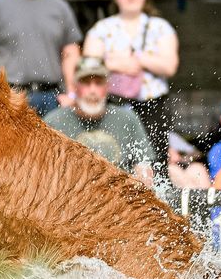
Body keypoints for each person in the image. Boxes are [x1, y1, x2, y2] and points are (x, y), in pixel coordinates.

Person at [82, 0, 178, 171]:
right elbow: (88, 64)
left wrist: (138, 59)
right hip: (114, 104)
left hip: (153, 106)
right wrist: (117, 65)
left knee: (156, 163)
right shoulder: (103, 27)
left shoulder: (160, 27)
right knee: (114, 159)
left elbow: (170, 66)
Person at [44, 57, 154, 187]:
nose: (92, 90)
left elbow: (144, 165)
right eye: (86, 83)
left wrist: (143, 181)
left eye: (98, 83)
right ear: (74, 86)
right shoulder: (54, 123)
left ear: (107, 87)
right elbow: (44, 172)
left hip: (120, 196)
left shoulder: (126, 119)